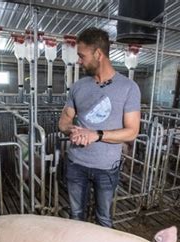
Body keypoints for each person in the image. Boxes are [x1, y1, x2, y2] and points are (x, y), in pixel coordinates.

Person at [58, 27, 141, 228]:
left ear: (98, 54)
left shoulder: (128, 88)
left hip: (106, 167)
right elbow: (63, 121)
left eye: (82, 55)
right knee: (76, 215)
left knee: (104, 218)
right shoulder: (79, 86)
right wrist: (73, 131)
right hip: (76, 163)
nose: (79, 60)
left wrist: (96, 134)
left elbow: (132, 131)